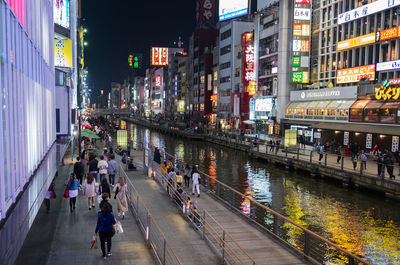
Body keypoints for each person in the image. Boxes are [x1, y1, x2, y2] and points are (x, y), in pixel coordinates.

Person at [95, 194, 116, 260]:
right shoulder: (111, 215)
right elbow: (114, 223)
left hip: (101, 231)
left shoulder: (100, 215)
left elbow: (98, 224)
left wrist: (96, 231)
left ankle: (104, 255)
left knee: (102, 242)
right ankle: (108, 252)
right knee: (109, 241)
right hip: (109, 230)